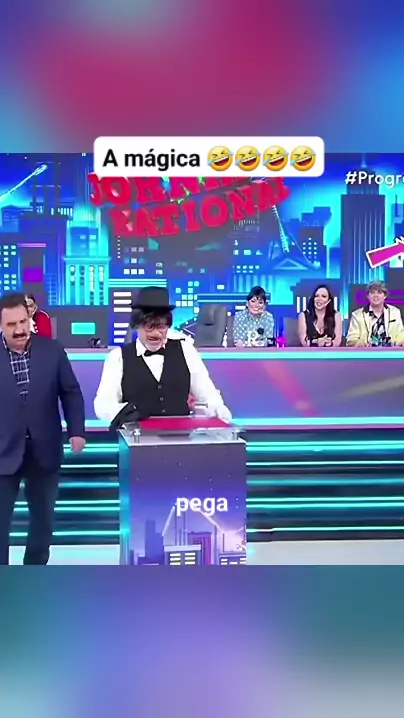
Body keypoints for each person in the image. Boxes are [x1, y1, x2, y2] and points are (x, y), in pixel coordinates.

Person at [0, 292, 86, 565]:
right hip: (3, 451)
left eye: (23, 322)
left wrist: (76, 431)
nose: (19, 329)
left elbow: (70, 392)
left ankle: (34, 574)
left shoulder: (52, 350)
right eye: (11, 324)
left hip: (44, 449)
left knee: (43, 521)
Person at [94, 286, 231, 425]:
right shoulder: (117, 358)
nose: (156, 334)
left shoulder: (186, 350)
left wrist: (219, 412)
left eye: (161, 327)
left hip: (180, 435)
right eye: (149, 327)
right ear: (137, 325)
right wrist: (125, 413)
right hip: (136, 435)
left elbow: (208, 394)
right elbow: (102, 404)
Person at [346, 281, 404, 347]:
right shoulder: (357, 315)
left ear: (385, 295)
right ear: (368, 296)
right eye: (372, 292)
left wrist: (399, 343)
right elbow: (351, 340)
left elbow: (401, 334)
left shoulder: (395, 312)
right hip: (366, 352)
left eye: (379, 292)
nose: (376, 295)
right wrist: (363, 344)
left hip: (391, 351)